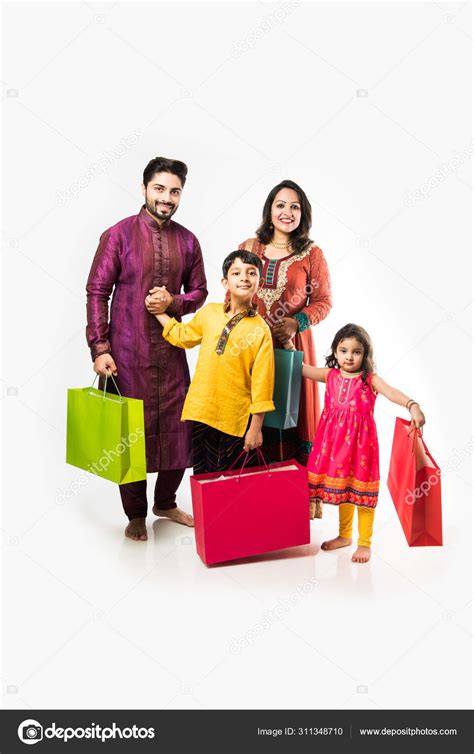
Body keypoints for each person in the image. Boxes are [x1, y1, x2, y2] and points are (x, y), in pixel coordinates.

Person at [86, 156, 208, 542]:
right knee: (130, 434)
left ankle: (166, 502)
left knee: (180, 428)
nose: (167, 198)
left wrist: (174, 302)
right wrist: (99, 346)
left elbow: (200, 292)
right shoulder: (118, 235)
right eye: (160, 188)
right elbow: (97, 291)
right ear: (143, 188)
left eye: (174, 191)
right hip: (126, 352)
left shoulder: (188, 240)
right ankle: (136, 514)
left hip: (172, 353)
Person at [303, 324, 426, 563]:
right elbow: (302, 369)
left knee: (362, 493)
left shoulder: (370, 380)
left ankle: (364, 543)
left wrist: (413, 406)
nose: (349, 356)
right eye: (343, 350)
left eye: (356, 352)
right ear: (335, 352)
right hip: (333, 447)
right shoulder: (330, 375)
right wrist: (287, 344)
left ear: (365, 354)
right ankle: (344, 535)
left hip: (361, 447)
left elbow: (391, 393)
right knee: (344, 490)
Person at [145, 251, 275, 474]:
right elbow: (183, 336)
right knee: (204, 477)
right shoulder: (210, 313)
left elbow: (262, 384)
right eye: (236, 273)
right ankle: (205, 512)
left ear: (259, 283)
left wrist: (256, 427)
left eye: (251, 273)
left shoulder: (261, 329)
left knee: (231, 482)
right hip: (202, 412)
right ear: (225, 281)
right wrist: (159, 312)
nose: (244, 277)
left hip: (235, 419)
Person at [239, 179, 331, 467]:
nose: (287, 212)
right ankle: (249, 492)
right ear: (270, 210)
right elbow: (233, 293)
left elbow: (324, 301)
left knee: (290, 414)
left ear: (303, 213)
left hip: (292, 347)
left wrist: (296, 322)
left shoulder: (311, 253)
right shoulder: (249, 247)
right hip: (250, 345)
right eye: (280, 205)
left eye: (295, 206)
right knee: (250, 414)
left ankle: (290, 496)